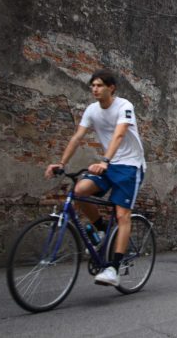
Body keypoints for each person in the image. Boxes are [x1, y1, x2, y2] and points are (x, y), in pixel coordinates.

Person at [45, 69, 146, 286]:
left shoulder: (125, 106)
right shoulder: (92, 110)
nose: (94, 89)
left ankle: (114, 268)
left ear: (111, 88)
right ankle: (100, 228)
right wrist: (61, 164)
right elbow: (77, 136)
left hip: (129, 166)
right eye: (92, 85)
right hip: (108, 166)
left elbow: (119, 135)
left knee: (122, 214)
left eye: (99, 85)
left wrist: (105, 161)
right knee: (79, 191)